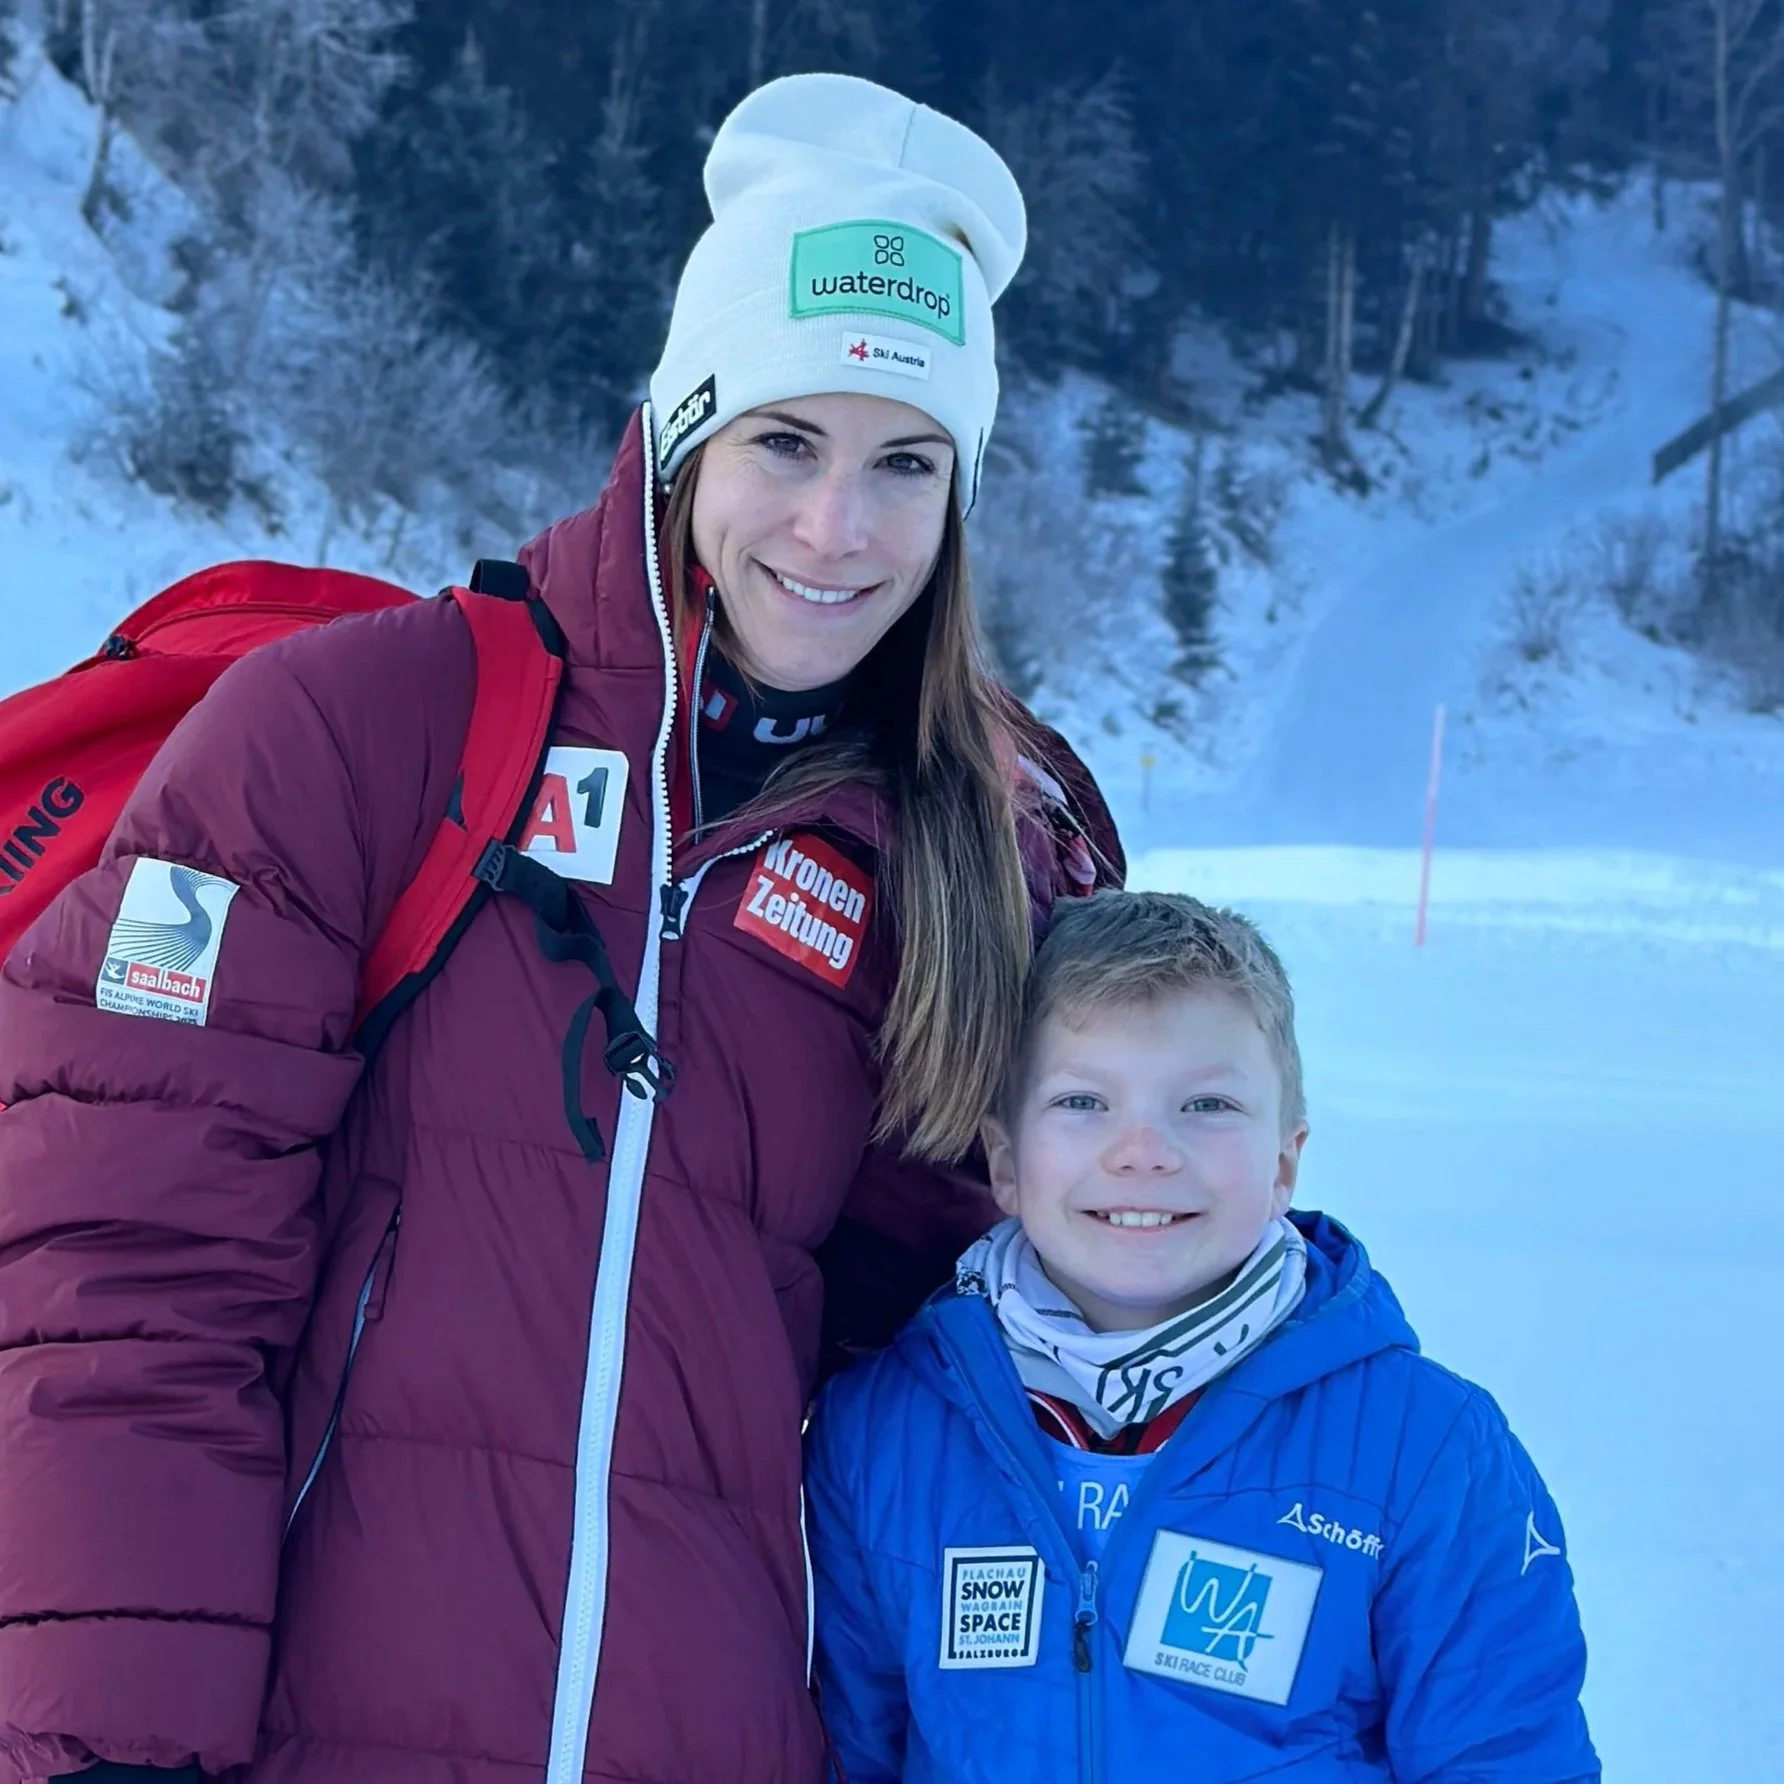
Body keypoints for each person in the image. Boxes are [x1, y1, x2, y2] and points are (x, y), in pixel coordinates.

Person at [0, 73, 1121, 1784]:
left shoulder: (967, 867)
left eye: (906, 463)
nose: (838, 529)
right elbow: (125, 1277)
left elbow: (991, 1394)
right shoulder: (364, 730)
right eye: (785, 442)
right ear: (683, 428)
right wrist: (113, 1752)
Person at [805, 891, 1599, 1783]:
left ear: (1284, 1161)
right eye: (1083, 1100)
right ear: (1004, 1160)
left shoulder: (1425, 1449)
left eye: (1207, 1104)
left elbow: (1503, 1758)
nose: (1143, 1151)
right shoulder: (881, 1435)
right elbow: (855, 1750)